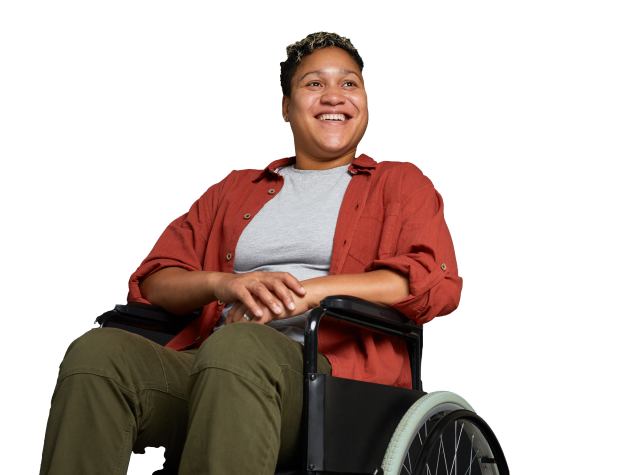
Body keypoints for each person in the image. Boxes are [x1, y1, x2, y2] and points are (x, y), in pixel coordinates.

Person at [40, 30, 462, 474]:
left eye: (350, 83)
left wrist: (304, 293)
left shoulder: (398, 182)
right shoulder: (234, 190)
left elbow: (432, 280)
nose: (333, 96)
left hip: (331, 379)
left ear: (367, 103)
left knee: (239, 347)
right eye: (314, 83)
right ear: (285, 107)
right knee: (99, 354)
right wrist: (227, 284)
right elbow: (154, 280)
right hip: (213, 364)